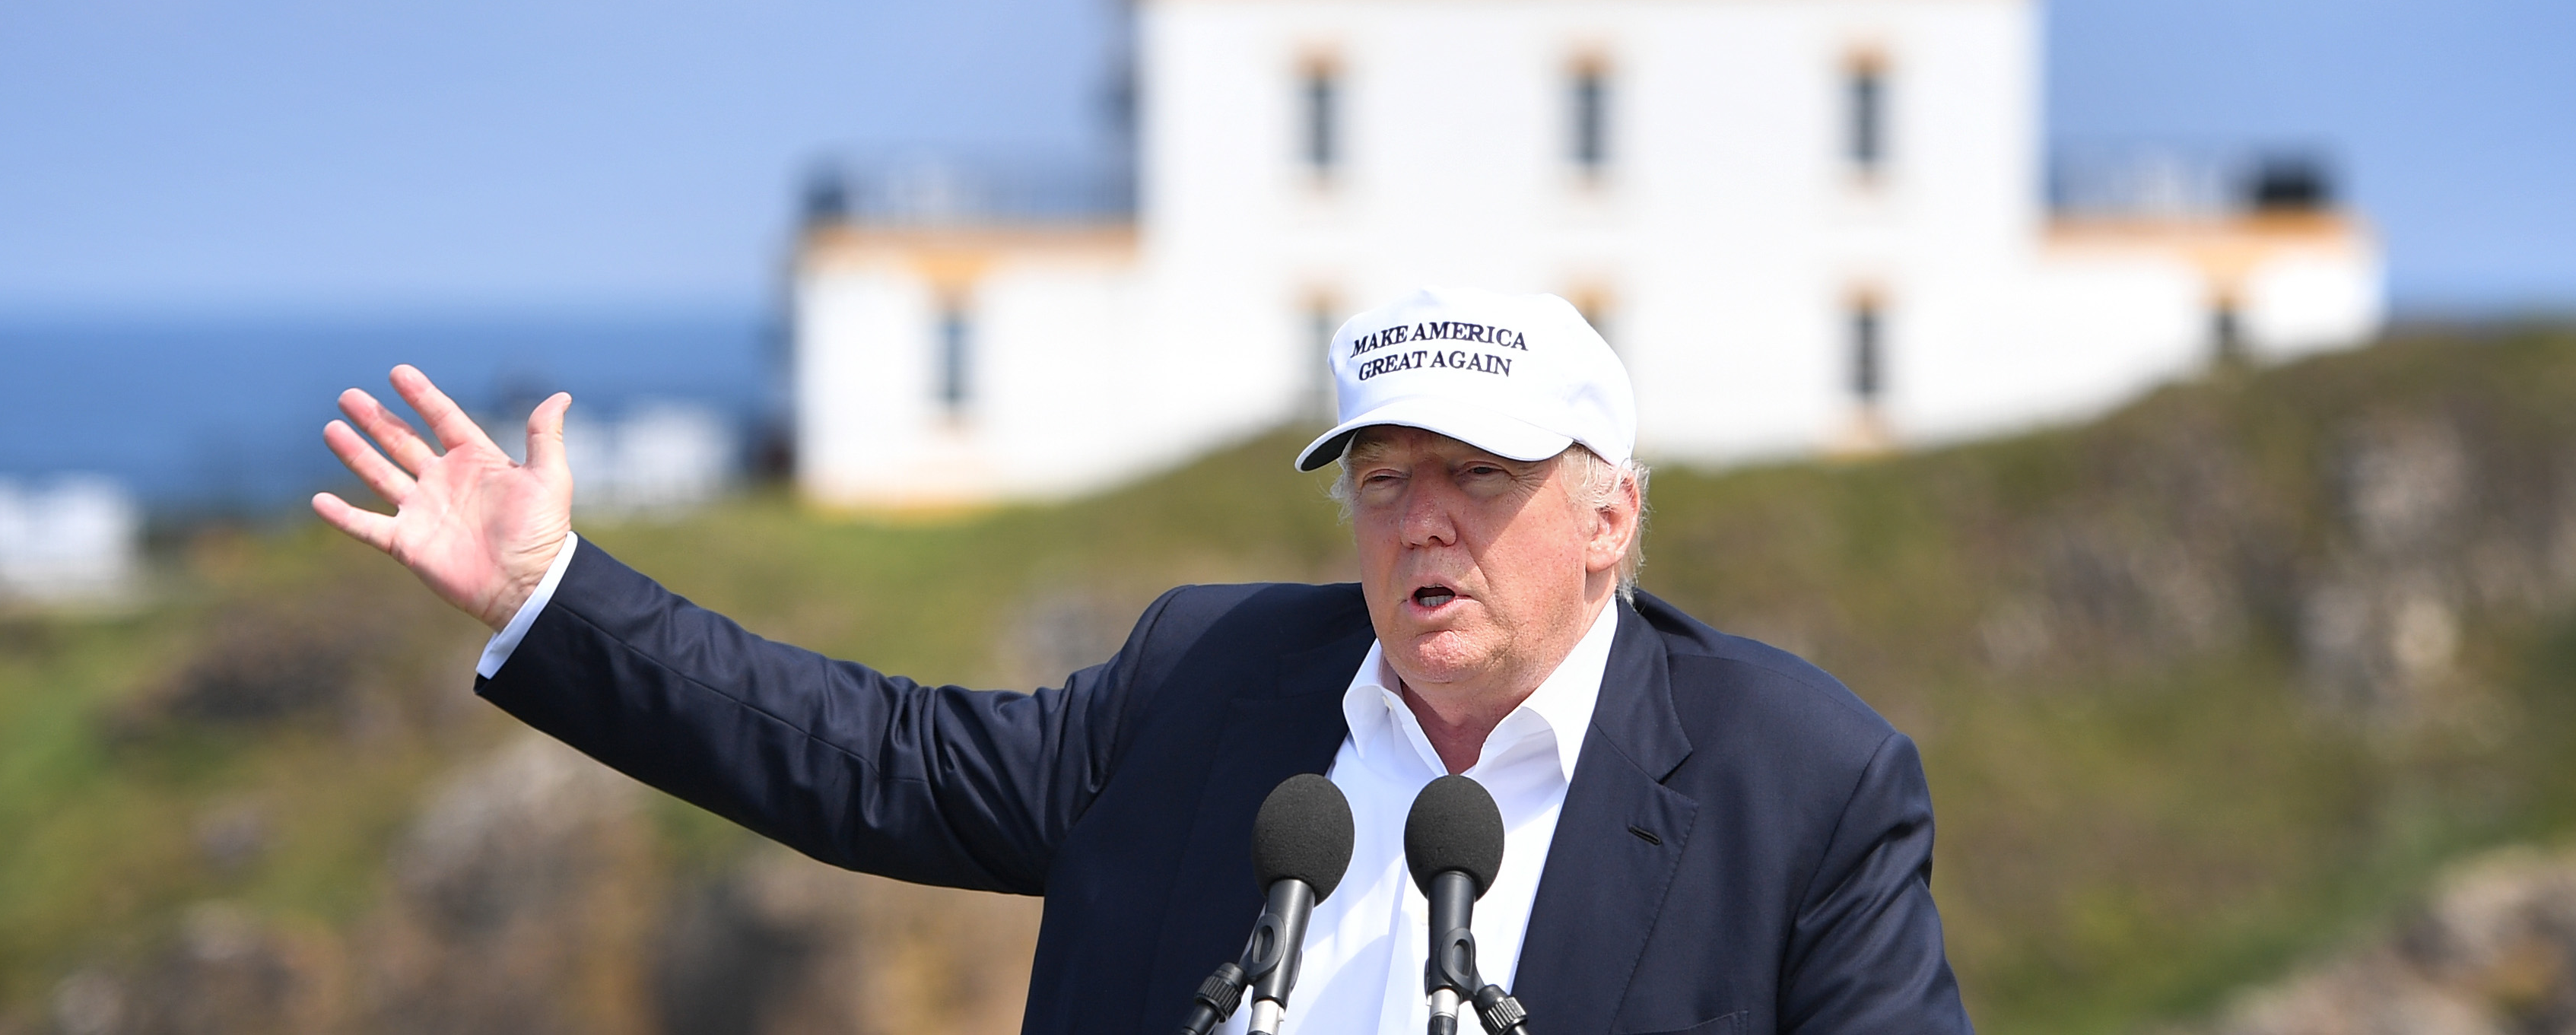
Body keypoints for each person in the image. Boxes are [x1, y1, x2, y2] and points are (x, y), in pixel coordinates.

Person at [316, 291, 1971, 1035]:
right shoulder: (1214, 682)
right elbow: (866, 759)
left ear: (1609, 513)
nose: (1420, 524)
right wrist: (553, 591)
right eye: (1383, 475)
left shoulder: (1796, 780)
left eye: (1478, 475)